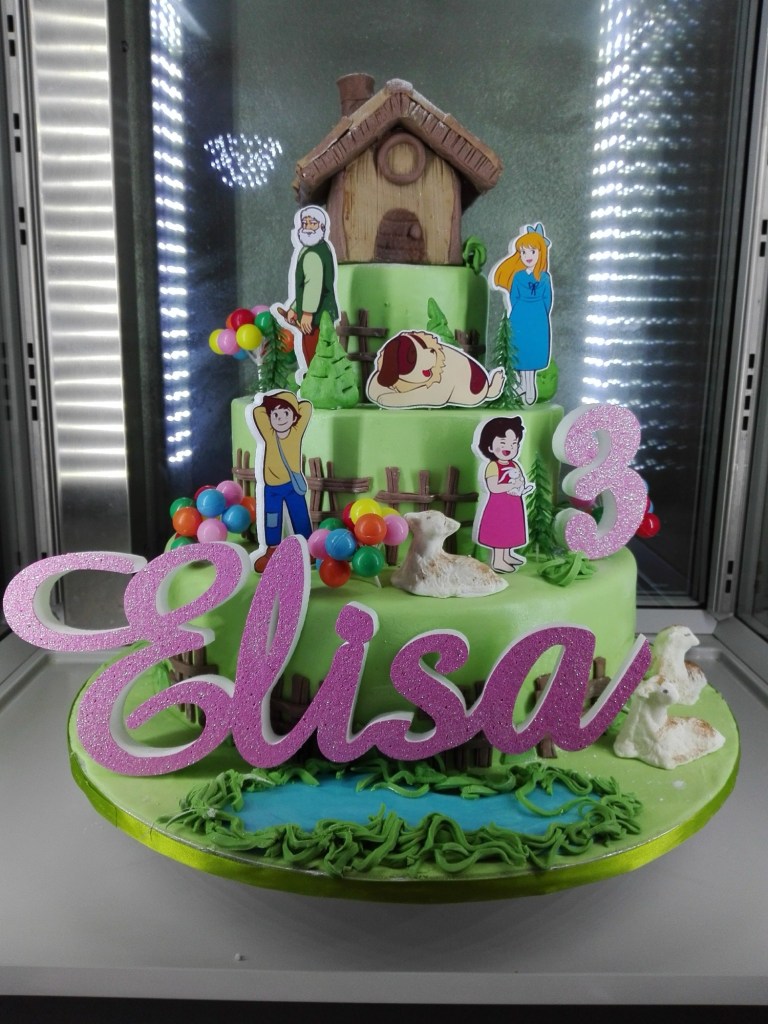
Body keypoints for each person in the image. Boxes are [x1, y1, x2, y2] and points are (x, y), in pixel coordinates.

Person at [250, 390, 312, 572]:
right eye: (275, 414)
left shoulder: (296, 432)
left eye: (286, 413)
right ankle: (272, 551)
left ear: (294, 417)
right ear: (269, 417)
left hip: (292, 485)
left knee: (300, 516)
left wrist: (291, 402)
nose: (281, 418)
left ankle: (308, 548)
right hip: (272, 489)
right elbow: (257, 412)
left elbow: (306, 407)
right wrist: (264, 401)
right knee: (272, 519)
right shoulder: (269, 434)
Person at [491, 223, 553, 405]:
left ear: (540, 253)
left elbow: (547, 300)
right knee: (521, 349)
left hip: (538, 318)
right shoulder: (518, 276)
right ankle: (523, 385)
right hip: (519, 317)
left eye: (532, 252)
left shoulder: (544, 278)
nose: (528, 256)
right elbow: (513, 297)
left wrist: (539, 314)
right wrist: (521, 311)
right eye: (524, 252)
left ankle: (529, 385)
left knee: (533, 350)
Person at [280, 205, 339, 374]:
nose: (307, 227)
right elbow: (304, 288)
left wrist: (307, 313)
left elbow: (313, 285)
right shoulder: (314, 248)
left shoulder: (314, 253)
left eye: (312, 223)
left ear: (322, 226)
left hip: (317, 317)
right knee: (315, 351)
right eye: (305, 223)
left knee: (315, 352)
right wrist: (294, 308)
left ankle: (317, 379)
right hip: (318, 315)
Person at [473, 415, 534, 572]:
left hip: (513, 505)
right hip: (498, 505)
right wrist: (511, 485)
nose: (509, 447)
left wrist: (522, 487)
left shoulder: (514, 464)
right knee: (500, 529)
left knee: (510, 529)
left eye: (514, 444)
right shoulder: (493, 466)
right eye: (503, 443)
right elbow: (493, 487)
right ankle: (498, 560)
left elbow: (520, 479)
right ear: (489, 446)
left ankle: (507, 555)